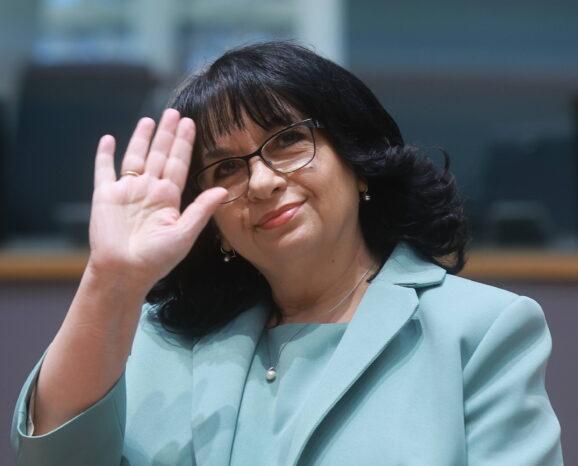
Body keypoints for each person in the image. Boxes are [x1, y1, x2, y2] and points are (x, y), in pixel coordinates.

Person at [11, 41, 563, 465]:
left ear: (358, 160)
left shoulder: (480, 330)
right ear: (215, 225)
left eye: (287, 141)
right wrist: (110, 278)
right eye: (226, 168)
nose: (261, 181)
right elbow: (52, 458)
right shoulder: (157, 341)